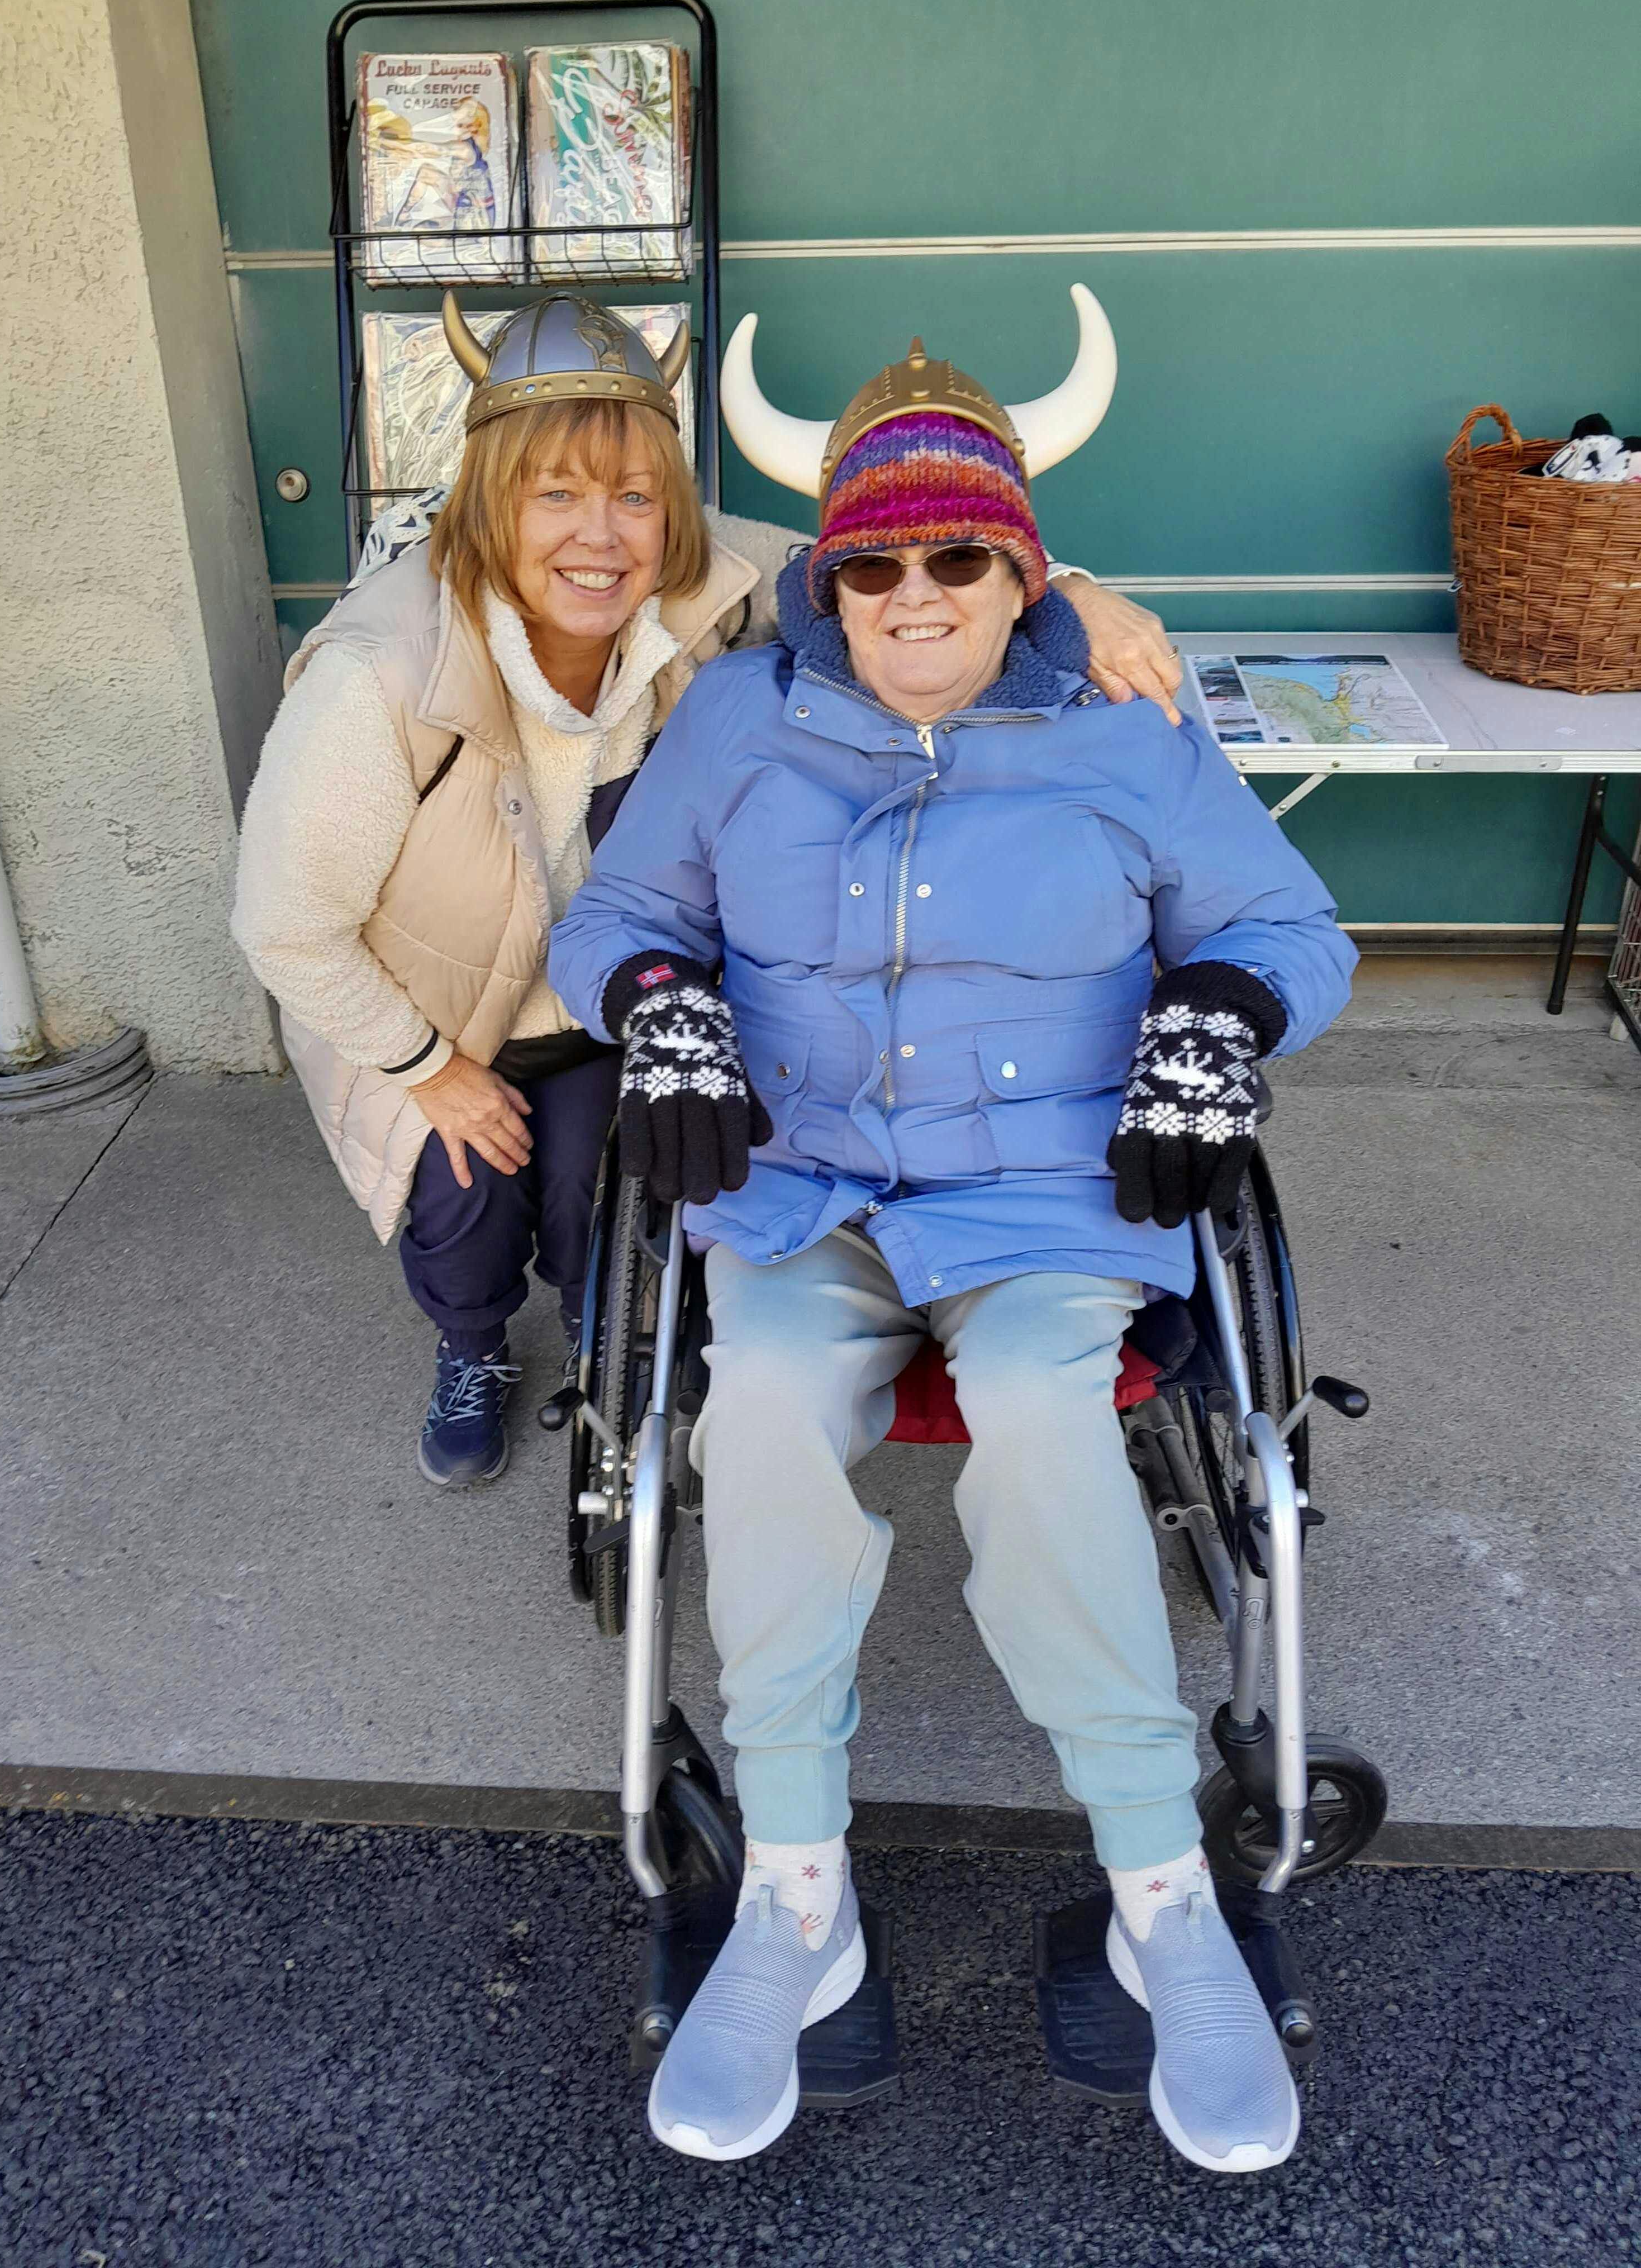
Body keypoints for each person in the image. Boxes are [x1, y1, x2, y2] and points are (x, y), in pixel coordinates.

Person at [549, 302, 1357, 2171]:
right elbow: (614, 917)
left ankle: (1159, 1895)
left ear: (1023, 573)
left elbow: (1291, 929)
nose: (915, 598)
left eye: (959, 560)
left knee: (1045, 1417)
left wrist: (1219, 1011)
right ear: (829, 581)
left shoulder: (1127, 733)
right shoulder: (736, 719)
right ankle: (797, 1889)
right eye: (875, 566)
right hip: (803, 1178)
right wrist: (658, 1005)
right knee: (757, 1411)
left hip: (1047, 1196)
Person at [233, 289, 1185, 1490]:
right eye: (555, 495)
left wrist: (1072, 592)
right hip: (435, 1013)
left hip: (612, 993)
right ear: (489, 499)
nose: (601, 536)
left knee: (608, 1186)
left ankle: (613, 1351)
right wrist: (430, 1069)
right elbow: (284, 927)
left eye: (636, 497)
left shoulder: (711, 578)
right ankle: (471, 1345)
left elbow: (902, 557)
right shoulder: (380, 673)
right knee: (465, 1199)